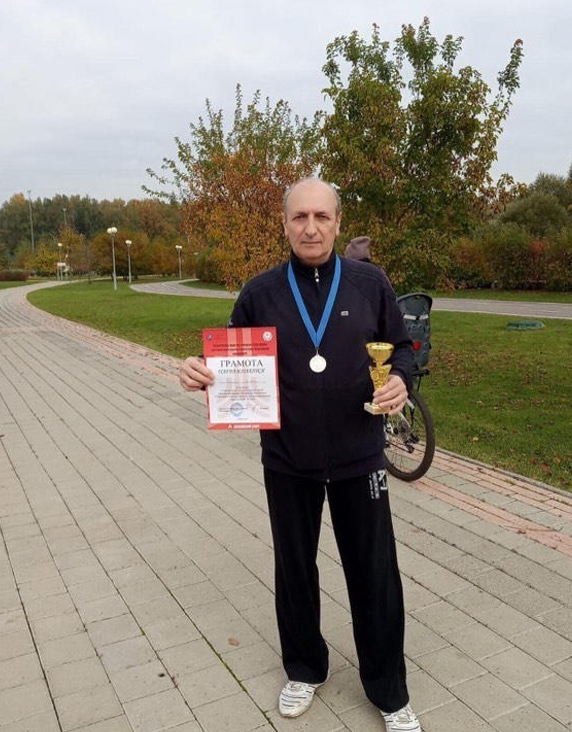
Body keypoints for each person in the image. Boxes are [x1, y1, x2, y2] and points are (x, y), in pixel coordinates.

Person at [178, 178, 421, 732]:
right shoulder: (260, 292)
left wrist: (402, 382)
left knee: (375, 572)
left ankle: (389, 690)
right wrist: (198, 369)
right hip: (287, 457)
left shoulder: (369, 283)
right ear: (284, 224)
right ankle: (305, 668)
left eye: (321, 217)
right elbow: (229, 357)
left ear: (337, 222)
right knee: (294, 568)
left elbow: (403, 349)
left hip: (361, 454)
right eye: (299, 218)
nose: (310, 227)